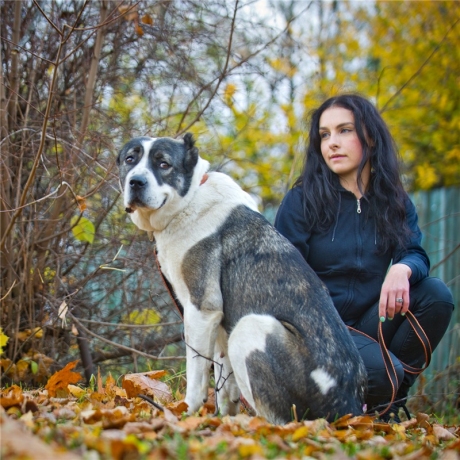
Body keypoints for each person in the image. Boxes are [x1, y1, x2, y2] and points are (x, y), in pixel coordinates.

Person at [274, 94, 454, 422]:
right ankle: (359, 398)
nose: (332, 142)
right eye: (324, 135)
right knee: (384, 371)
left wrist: (402, 269)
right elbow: (282, 277)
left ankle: (388, 407)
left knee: (436, 295)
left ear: (370, 137)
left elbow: (414, 253)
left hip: (369, 324)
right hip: (315, 331)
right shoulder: (302, 200)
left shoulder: (393, 201)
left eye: (344, 130)